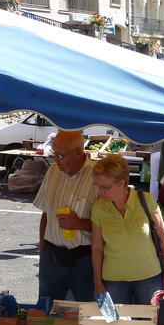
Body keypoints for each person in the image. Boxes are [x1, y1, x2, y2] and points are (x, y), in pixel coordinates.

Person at [90, 154, 164, 325]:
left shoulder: (145, 200)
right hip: (111, 279)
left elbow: (163, 237)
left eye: (106, 186)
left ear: (123, 182)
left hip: (149, 276)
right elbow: (96, 248)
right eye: (99, 185)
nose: (101, 191)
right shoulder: (99, 207)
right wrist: (97, 281)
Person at [33, 128, 97, 302]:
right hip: (51, 255)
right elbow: (45, 212)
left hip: (84, 259)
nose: (55, 160)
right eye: (54, 154)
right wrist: (42, 247)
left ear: (78, 153)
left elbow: (109, 224)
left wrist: (80, 224)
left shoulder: (97, 176)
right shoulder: (53, 171)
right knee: (46, 312)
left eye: (60, 155)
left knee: (85, 313)